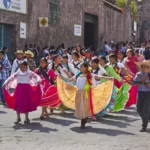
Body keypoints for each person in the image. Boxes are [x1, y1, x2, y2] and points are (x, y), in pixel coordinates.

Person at [57, 62, 114, 129]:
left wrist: (109, 78)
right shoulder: (78, 74)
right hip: (78, 93)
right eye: (80, 67)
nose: (80, 68)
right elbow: (69, 80)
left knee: (84, 107)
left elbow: (98, 76)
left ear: (86, 67)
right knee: (80, 107)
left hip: (86, 93)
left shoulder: (90, 75)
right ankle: (84, 119)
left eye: (81, 67)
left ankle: (83, 122)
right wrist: (61, 77)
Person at [130, 60, 150, 132]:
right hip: (140, 93)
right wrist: (131, 82)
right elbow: (134, 83)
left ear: (148, 68)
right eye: (142, 67)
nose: (143, 68)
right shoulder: (138, 74)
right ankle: (146, 118)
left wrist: (148, 85)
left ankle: (144, 126)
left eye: (145, 67)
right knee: (138, 109)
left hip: (148, 94)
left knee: (145, 110)